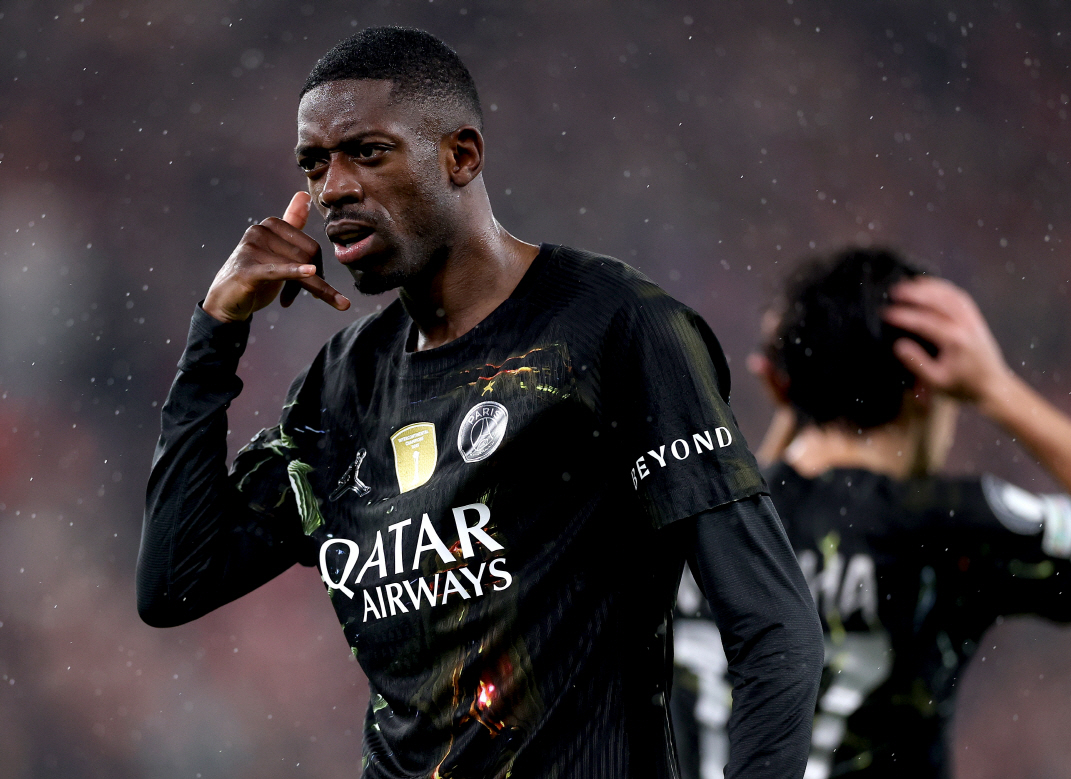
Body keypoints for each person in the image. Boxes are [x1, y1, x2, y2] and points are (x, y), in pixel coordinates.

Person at [137, 26, 822, 779]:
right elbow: (177, 579)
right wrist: (218, 327)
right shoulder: (346, 380)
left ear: (460, 156)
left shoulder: (613, 328)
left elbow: (774, 629)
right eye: (314, 164)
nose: (332, 188)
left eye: (366, 152)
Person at [671, 247, 1071, 779]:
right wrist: (997, 389)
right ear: (925, 382)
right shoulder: (939, 525)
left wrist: (798, 404)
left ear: (785, 383)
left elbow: (762, 521)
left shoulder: (696, 523)